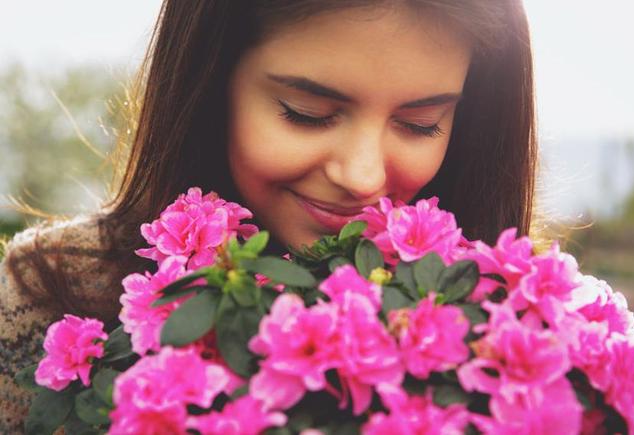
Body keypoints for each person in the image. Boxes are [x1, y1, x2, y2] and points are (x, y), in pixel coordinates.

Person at [0, 0, 536, 431]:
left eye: (421, 124)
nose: (363, 176)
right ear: (210, 85)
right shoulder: (44, 295)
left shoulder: (520, 325)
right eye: (308, 115)